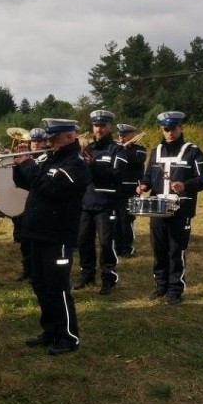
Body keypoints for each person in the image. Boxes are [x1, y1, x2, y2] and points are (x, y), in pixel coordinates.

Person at [13, 118, 89, 356]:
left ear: (69, 137)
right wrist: (19, 165)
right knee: (40, 285)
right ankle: (50, 330)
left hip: (58, 235)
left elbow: (51, 187)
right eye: (48, 139)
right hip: (37, 232)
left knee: (58, 287)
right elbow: (25, 183)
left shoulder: (76, 164)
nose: (49, 143)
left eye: (54, 139)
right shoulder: (49, 159)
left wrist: (29, 165)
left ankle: (68, 336)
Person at [138, 111, 203, 305]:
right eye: (166, 129)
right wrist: (143, 186)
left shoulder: (192, 151)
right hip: (157, 208)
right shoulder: (156, 151)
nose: (169, 132)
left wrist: (185, 185)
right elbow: (148, 177)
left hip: (181, 210)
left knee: (176, 251)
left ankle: (175, 290)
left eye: (173, 128)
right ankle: (161, 286)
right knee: (159, 250)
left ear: (181, 128)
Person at [76, 110, 125, 295]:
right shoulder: (87, 148)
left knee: (106, 243)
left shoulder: (117, 149)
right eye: (97, 126)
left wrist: (94, 166)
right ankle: (87, 275)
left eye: (103, 125)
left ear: (110, 127)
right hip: (86, 203)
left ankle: (108, 278)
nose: (99, 129)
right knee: (83, 241)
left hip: (106, 203)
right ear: (92, 127)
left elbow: (117, 176)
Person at [12, 127, 47, 281]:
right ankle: (27, 269)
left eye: (39, 141)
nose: (35, 144)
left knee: (37, 241)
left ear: (45, 143)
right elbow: (20, 182)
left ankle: (37, 271)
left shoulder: (47, 160)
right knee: (24, 239)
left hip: (40, 204)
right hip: (25, 202)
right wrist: (16, 167)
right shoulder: (28, 159)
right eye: (33, 141)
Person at [114, 124, 147, 258]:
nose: (122, 138)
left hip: (131, 190)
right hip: (117, 190)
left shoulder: (140, 150)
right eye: (120, 135)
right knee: (115, 221)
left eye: (125, 135)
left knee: (126, 220)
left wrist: (123, 149)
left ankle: (127, 248)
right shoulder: (117, 149)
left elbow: (133, 161)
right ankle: (117, 247)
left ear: (132, 135)